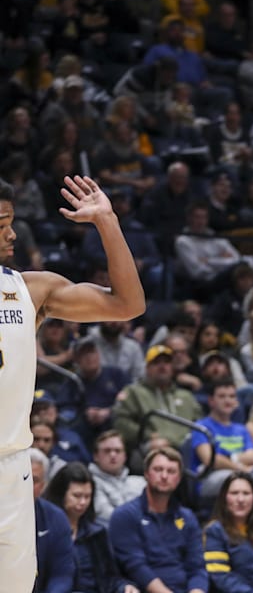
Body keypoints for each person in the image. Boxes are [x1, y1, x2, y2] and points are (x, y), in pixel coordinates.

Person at [0, 175, 145, 592]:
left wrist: (107, 222)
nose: (12, 233)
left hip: (12, 465)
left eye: (12, 220)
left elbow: (127, 304)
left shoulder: (29, 289)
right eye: (1, 224)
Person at [109, 447, 208, 593]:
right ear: (146, 474)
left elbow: (197, 567)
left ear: (179, 478)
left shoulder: (187, 517)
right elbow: (136, 566)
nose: (164, 476)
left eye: (171, 471)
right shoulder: (124, 515)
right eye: (158, 469)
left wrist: (197, 591)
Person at [42, 462, 137, 593]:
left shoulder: (97, 532)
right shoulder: (44, 531)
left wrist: (124, 587)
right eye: (77, 496)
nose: (83, 502)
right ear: (61, 493)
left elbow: (110, 578)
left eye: (87, 496)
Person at [30, 447, 75, 593]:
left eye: (34, 480)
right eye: (22, 478)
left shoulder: (56, 517)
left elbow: (62, 574)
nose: (26, 485)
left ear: (43, 485)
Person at [89, 430, 146, 527]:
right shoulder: (90, 482)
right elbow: (107, 515)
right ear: (96, 456)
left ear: (125, 456)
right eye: (107, 451)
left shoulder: (140, 482)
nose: (113, 455)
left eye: (117, 451)